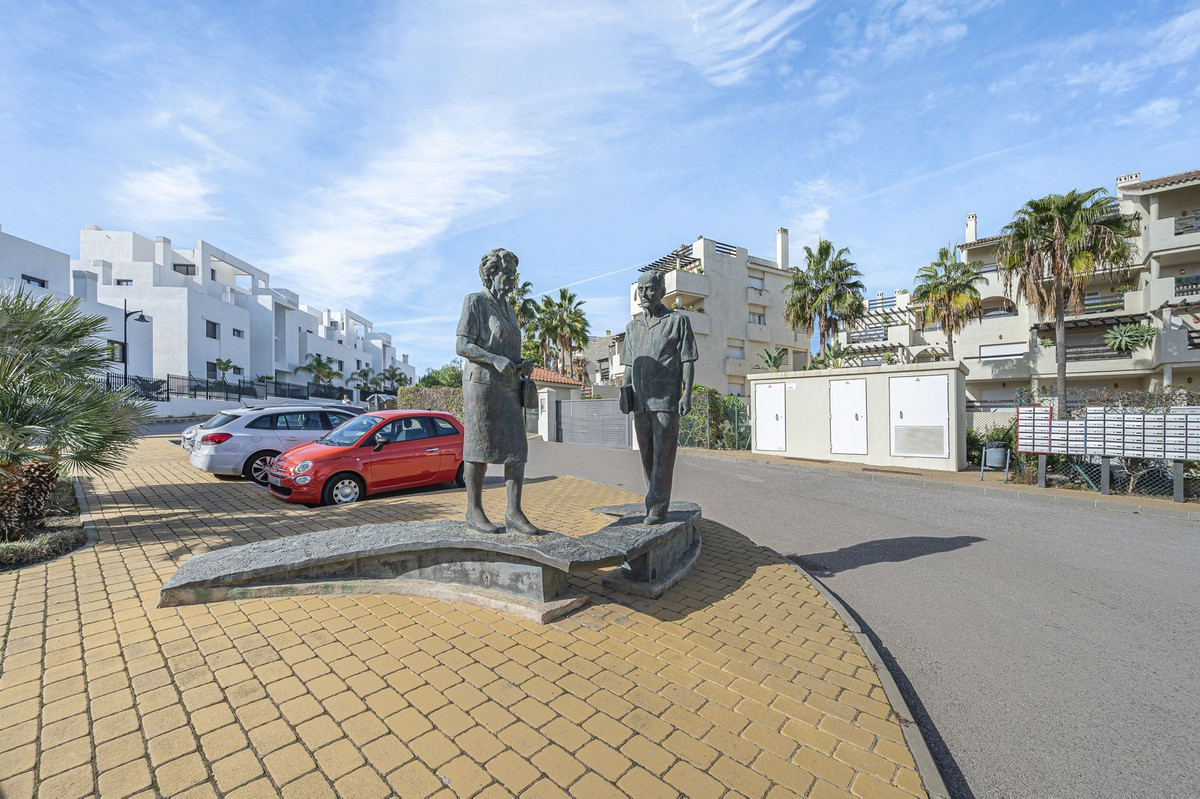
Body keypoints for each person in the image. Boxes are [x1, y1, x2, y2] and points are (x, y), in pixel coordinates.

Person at [456, 248, 539, 534]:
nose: (513, 279)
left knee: (517, 448)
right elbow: (462, 345)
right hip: (481, 386)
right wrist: (494, 359)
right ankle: (474, 511)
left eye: (515, 274)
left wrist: (520, 364)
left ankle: (514, 512)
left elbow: (508, 350)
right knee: (478, 447)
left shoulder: (510, 310)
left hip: (509, 386)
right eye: (508, 273)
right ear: (491, 273)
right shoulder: (475, 302)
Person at [620, 270, 698, 524]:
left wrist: (686, 394)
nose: (644, 294)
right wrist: (624, 390)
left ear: (662, 291)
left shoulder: (678, 321)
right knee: (646, 456)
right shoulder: (632, 328)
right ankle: (653, 499)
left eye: (650, 288)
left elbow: (687, 360)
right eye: (640, 290)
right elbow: (629, 363)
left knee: (663, 456)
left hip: (666, 400)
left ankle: (657, 507)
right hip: (640, 400)